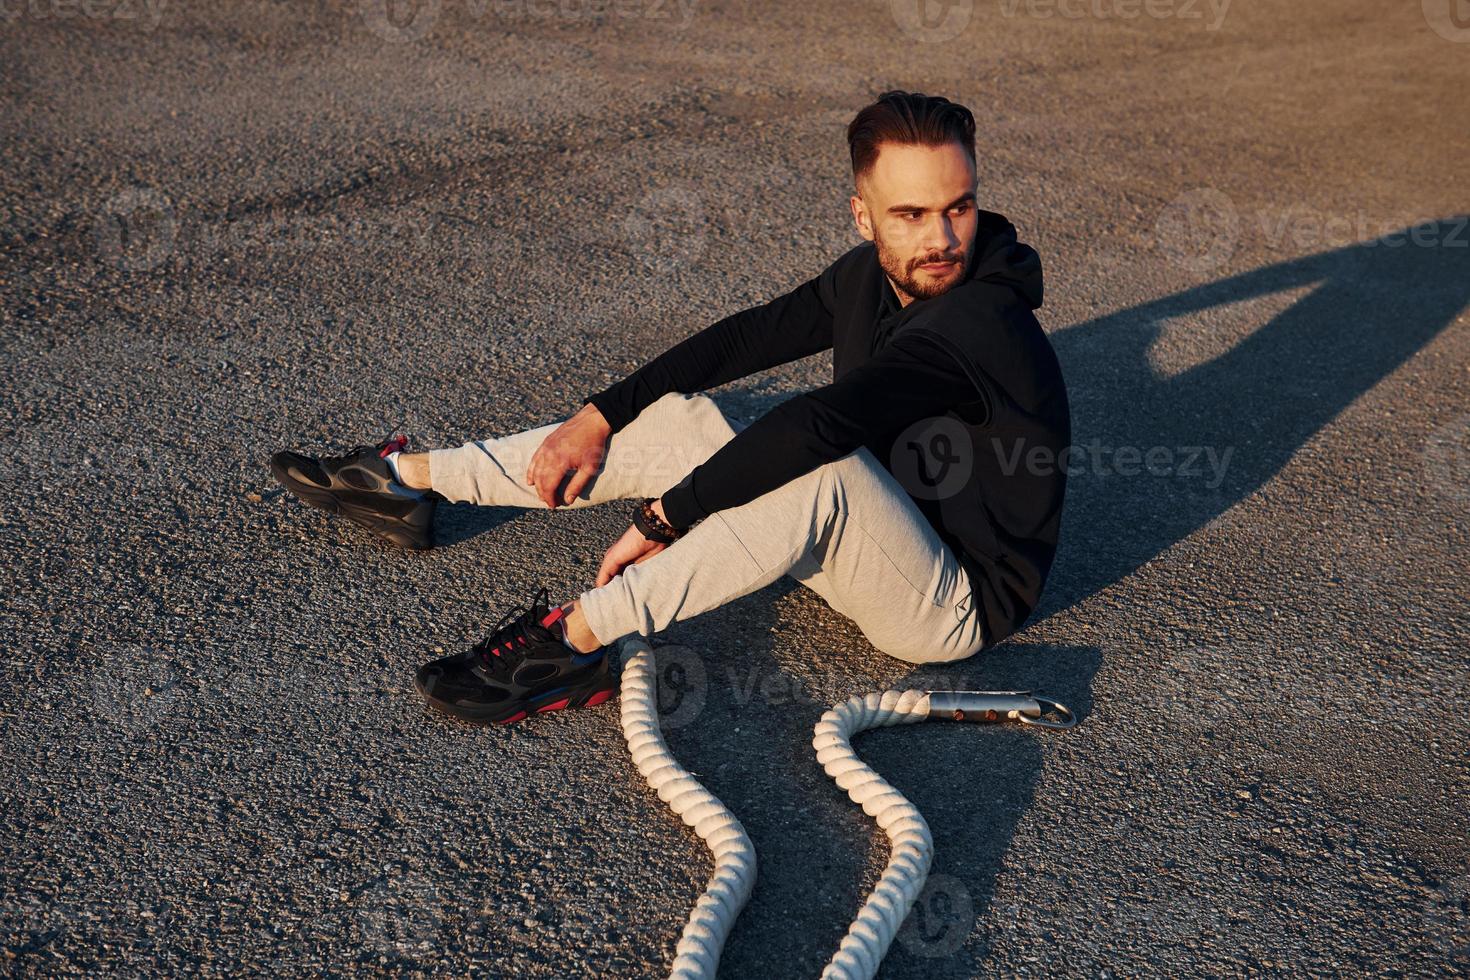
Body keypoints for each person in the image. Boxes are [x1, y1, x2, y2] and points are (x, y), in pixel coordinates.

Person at [268, 90, 1071, 726]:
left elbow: (818, 428)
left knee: (812, 465)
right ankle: (409, 478)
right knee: (688, 420)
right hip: (881, 523)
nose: (942, 237)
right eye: (911, 214)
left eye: (958, 207)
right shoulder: (869, 273)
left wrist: (665, 518)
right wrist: (599, 414)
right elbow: (745, 339)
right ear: (862, 217)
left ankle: (573, 643)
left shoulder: (980, 323)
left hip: (947, 601)